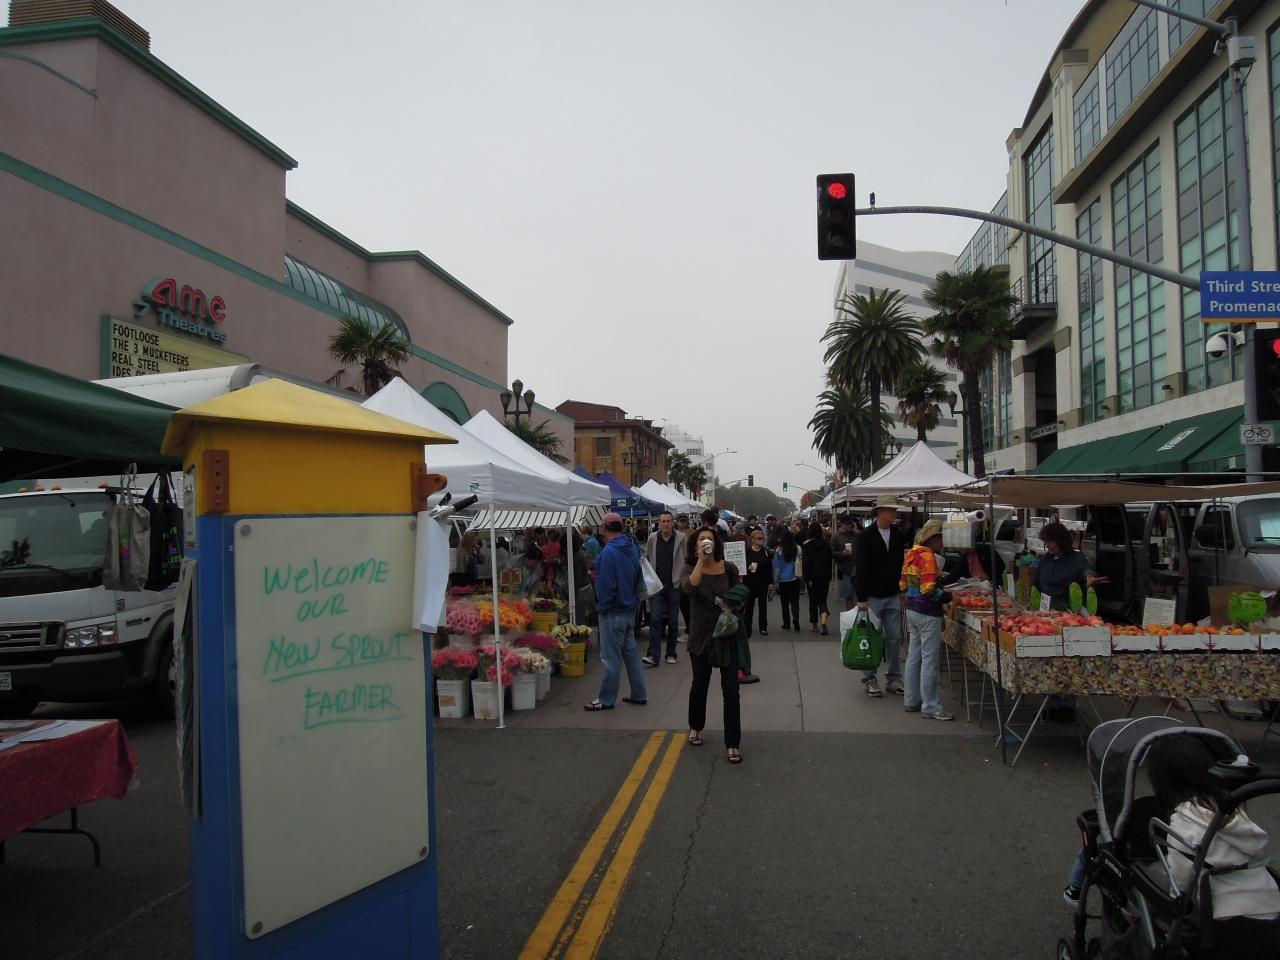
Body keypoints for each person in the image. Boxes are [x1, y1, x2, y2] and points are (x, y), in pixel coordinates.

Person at [1148, 737, 1280, 955]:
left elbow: (1182, 883)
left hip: (1226, 920)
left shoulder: (1183, 821)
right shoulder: (1233, 808)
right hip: (1271, 904)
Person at [682, 525, 743, 764]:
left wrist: (731, 606)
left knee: (731, 690)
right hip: (701, 635)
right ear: (695, 544)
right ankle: (695, 726)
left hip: (726, 635)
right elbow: (689, 588)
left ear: (716, 543)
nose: (706, 542)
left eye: (709, 539)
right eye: (701, 539)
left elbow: (740, 596)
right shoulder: (690, 567)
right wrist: (700, 560)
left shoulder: (728, 568)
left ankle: (733, 743)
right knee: (700, 684)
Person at [585, 513, 648, 711]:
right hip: (629, 609)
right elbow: (638, 576)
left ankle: (606, 699)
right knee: (631, 655)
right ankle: (639, 693)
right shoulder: (632, 547)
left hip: (613, 612)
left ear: (604, 528)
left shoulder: (608, 552)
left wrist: (602, 608)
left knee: (610, 658)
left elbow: (606, 586)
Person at [900, 519, 955, 721]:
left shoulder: (911, 553)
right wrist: (948, 597)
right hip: (927, 612)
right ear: (932, 538)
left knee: (914, 656)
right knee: (929, 661)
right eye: (940, 538)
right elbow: (929, 589)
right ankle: (931, 706)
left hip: (912, 610)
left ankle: (911, 699)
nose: (942, 542)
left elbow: (902, 583)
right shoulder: (928, 557)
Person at [855, 496, 908, 697]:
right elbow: (861, 568)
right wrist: (861, 598)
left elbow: (901, 565)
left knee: (894, 638)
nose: (894, 514)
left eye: (894, 510)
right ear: (880, 512)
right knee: (871, 639)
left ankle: (893, 678)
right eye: (890, 510)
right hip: (872, 596)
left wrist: (902, 590)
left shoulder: (897, 534)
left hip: (893, 593)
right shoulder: (865, 537)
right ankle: (870, 678)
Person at [644, 511, 687, 666]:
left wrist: (681, 578)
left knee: (673, 621)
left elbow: (686, 559)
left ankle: (671, 653)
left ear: (673, 522)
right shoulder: (652, 538)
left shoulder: (681, 538)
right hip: (657, 585)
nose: (666, 524)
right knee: (655, 619)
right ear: (659, 523)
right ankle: (653, 655)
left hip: (674, 585)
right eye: (663, 521)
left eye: (668, 521)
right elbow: (647, 559)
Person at [802, 521, 833, 634]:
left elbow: (806, 563)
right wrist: (829, 575)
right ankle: (823, 621)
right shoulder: (826, 544)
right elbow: (829, 561)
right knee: (822, 600)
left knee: (813, 601)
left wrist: (807, 577)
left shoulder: (806, 545)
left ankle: (814, 624)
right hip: (824, 576)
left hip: (812, 577)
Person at [743, 527, 772, 637]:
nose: (762, 540)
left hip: (762, 582)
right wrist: (747, 567)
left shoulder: (766, 552)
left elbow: (769, 568)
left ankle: (763, 627)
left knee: (762, 605)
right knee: (749, 606)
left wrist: (770, 583)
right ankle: (747, 628)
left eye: (762, 538)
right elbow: (741, 566)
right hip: (749, 582)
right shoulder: (747, 551)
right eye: (759, 538)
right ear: (753, 540)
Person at [772, 528, 802, 631]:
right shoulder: (797, 548)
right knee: (795, 601)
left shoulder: (779, 551)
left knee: (784, 603)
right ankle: (796, 619)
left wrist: (775, 582)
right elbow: (800, 561)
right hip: (795, 578)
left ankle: (786, 623)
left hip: (782, 580)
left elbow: (776, 568)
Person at [830, 513, 858, 613]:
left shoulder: (857, 534)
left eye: (850, 523)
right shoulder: (836, 536)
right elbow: (831, 553)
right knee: (848, 596)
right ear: (841, 524)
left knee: (861, 596)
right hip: (843, 569)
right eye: (847, 524)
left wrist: (856, 532)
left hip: (857, 569)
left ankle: (860, 618)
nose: (849, 525)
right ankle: (851, 617)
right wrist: (842, 554)